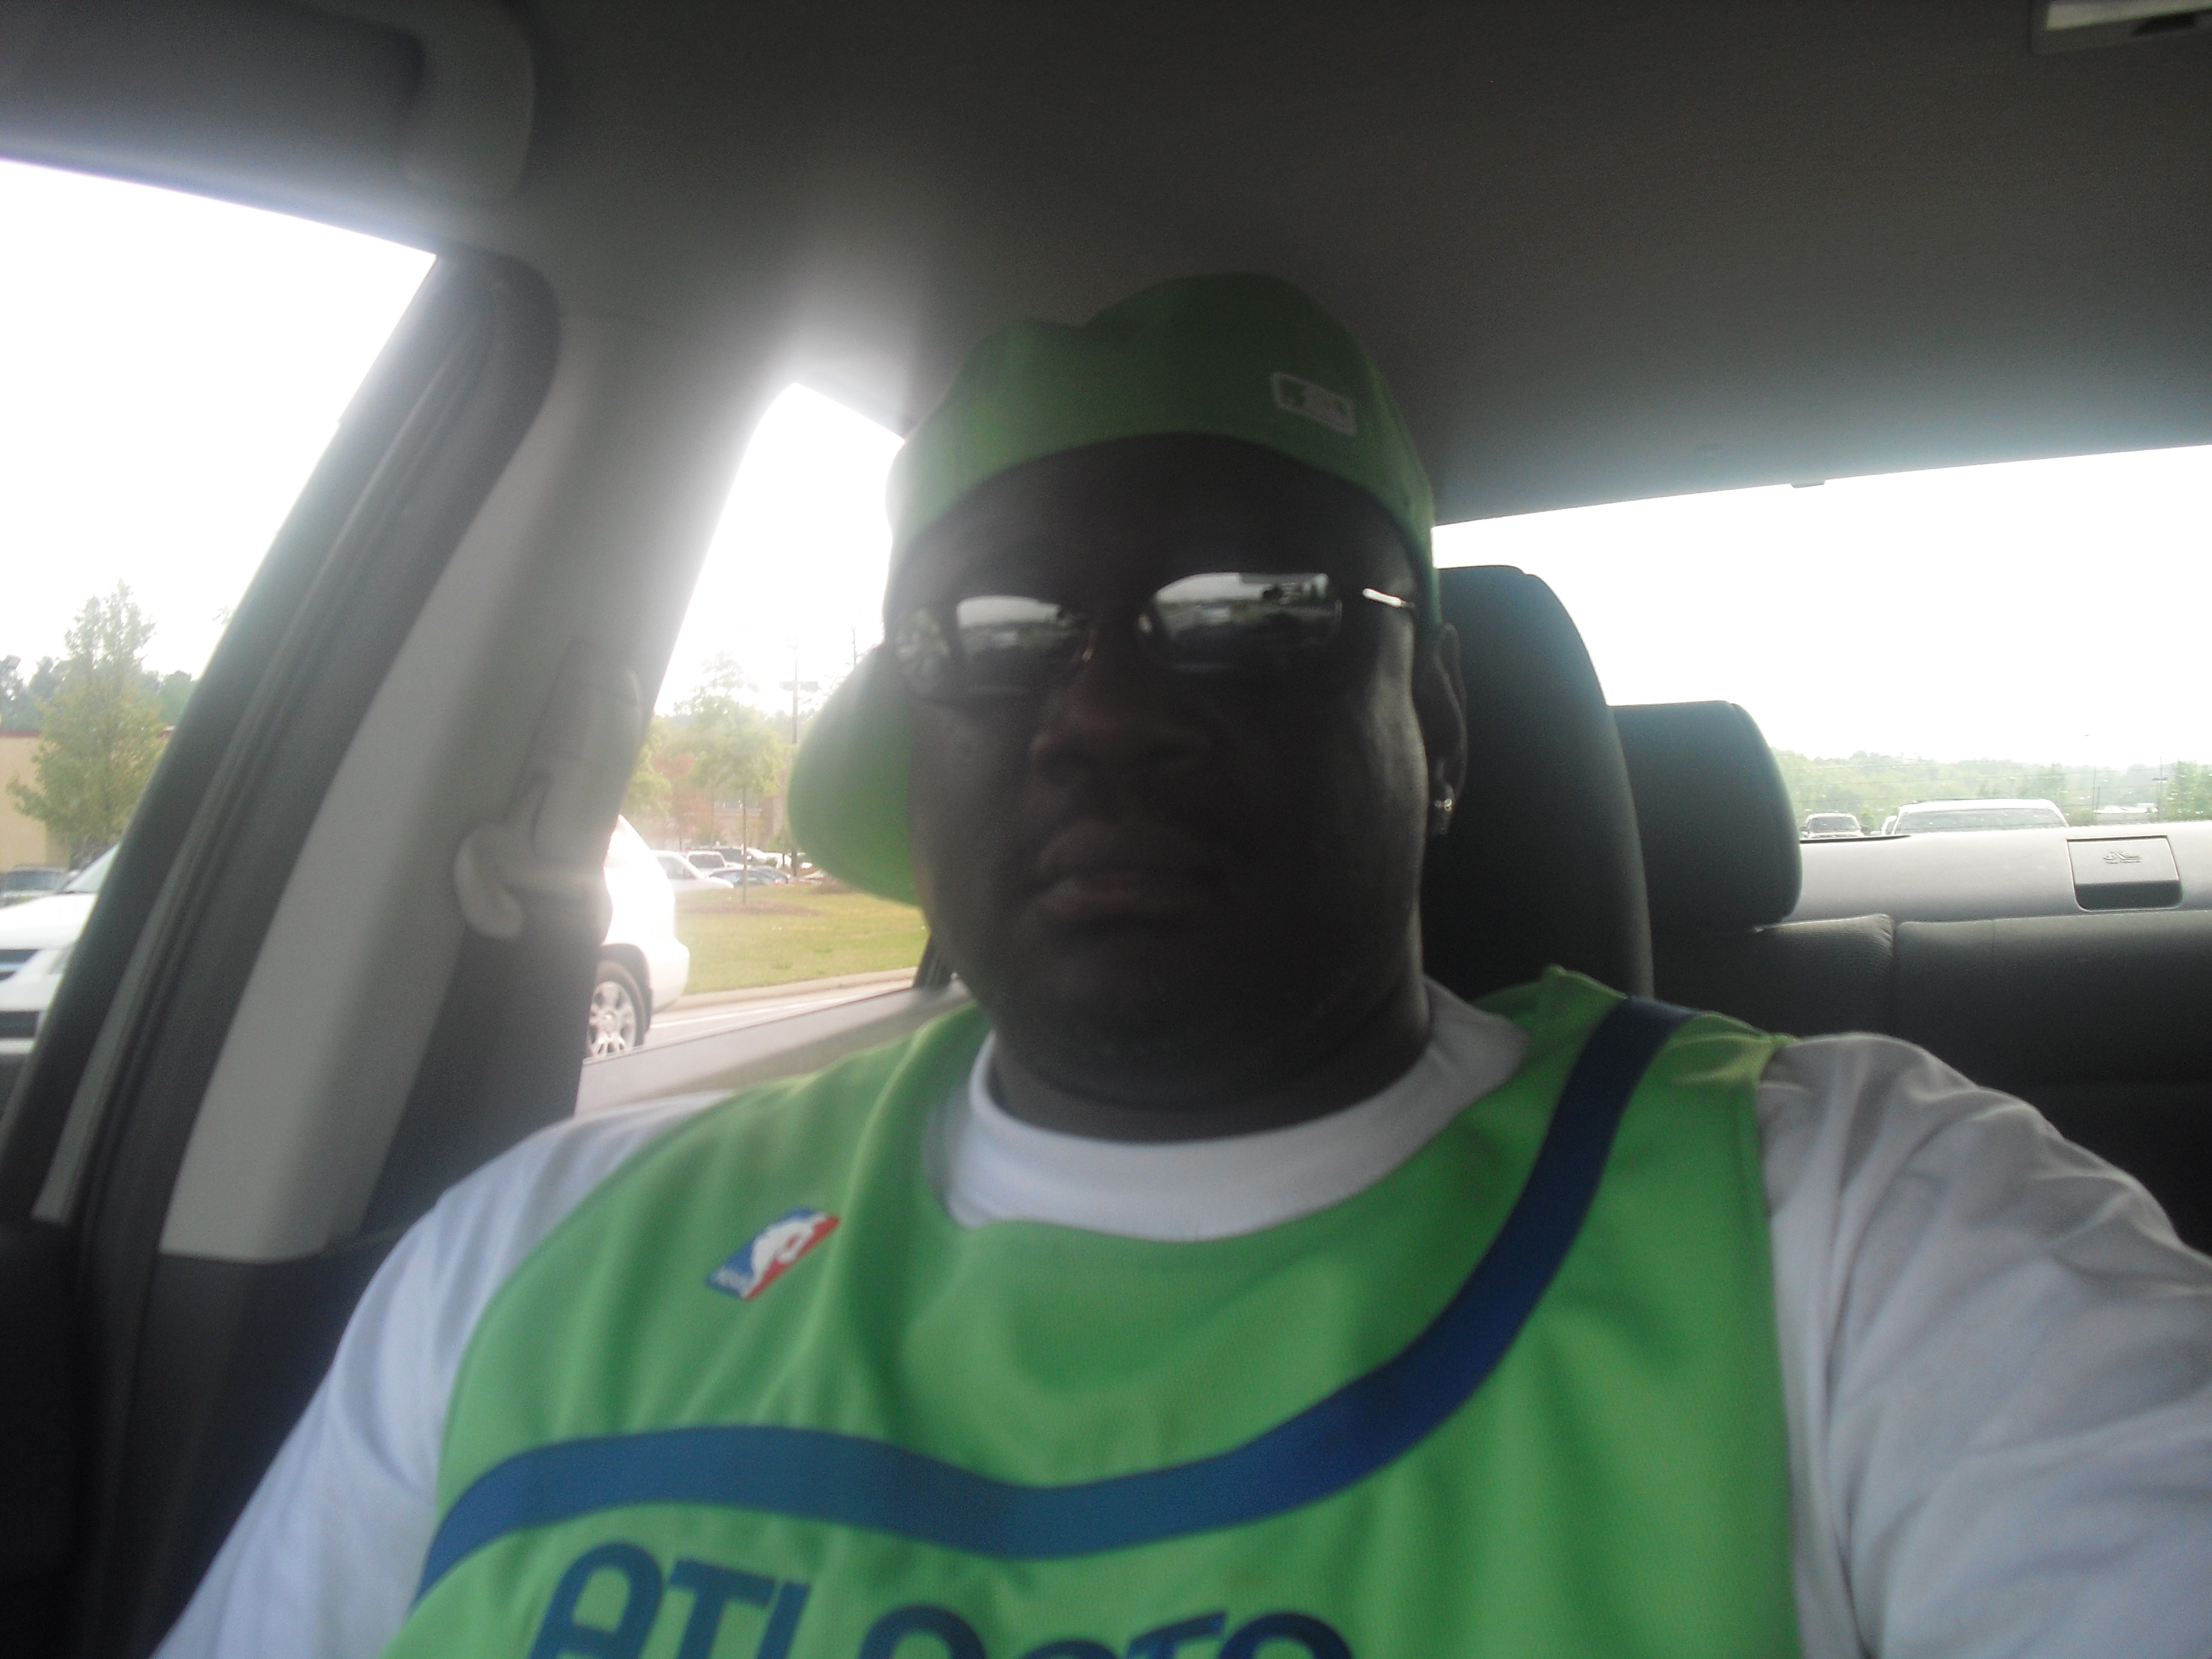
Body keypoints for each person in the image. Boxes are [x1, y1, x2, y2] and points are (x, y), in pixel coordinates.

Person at [160, 275, 2212, 1659]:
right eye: (992, 635)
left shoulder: (1857, 1234)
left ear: (1439, 723)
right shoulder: (531, 1259)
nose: (1104, 710)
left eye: (1253, 606)